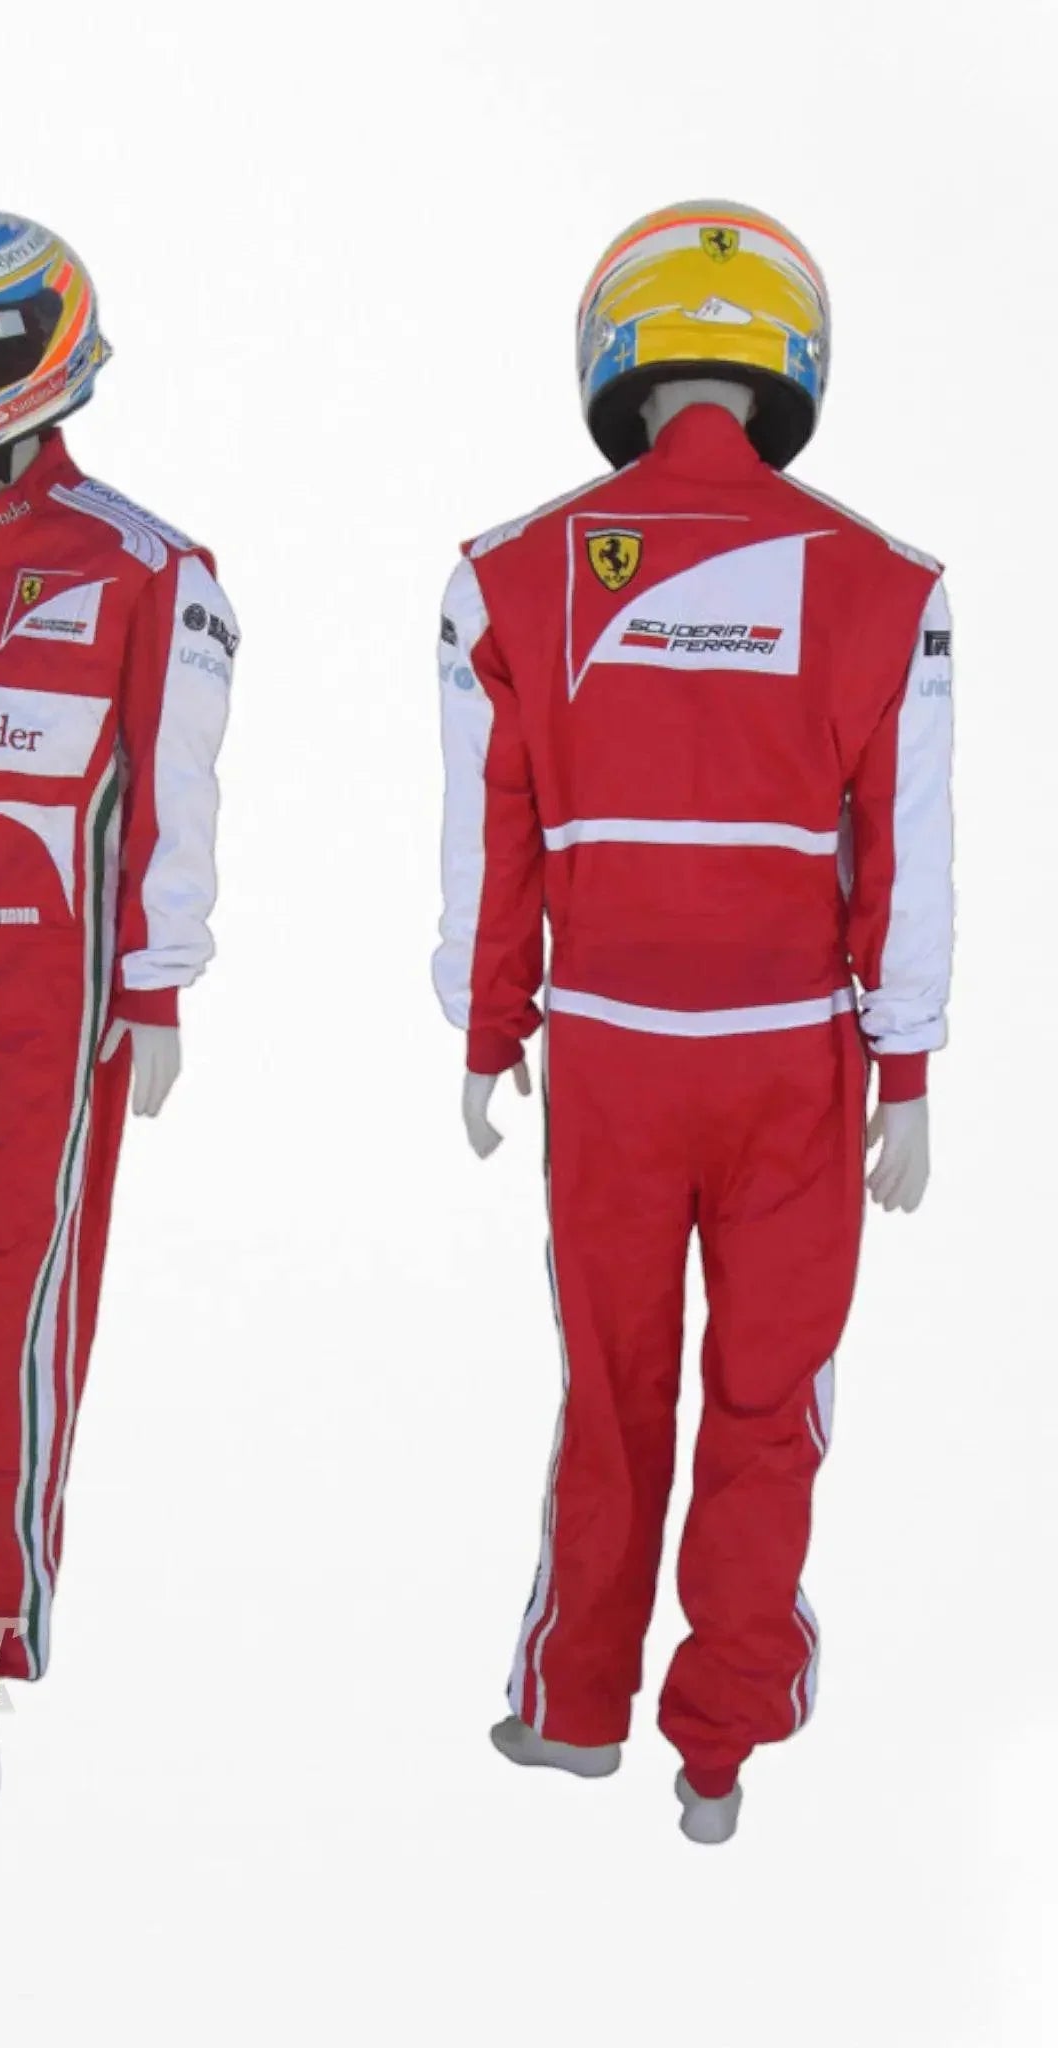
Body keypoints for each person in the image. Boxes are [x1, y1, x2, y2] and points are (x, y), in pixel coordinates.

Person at [433, 200, 953, 1845]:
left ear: (619, 352)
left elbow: (487, 837)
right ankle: (717, 1749)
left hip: (606, 1058)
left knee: (609, 1386)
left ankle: (573, 1709)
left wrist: (486, 1029)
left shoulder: (506, 574)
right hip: (796, 1061)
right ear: (790, 356)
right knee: (767, 1401)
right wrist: (909, 1067)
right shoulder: (891, 584)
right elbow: (910, 852)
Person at [0, 208, 237, 1821]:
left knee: (13, 1337)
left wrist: (156, 983)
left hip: (44, 1012)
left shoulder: (145, 567)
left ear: (31, 359)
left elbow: (179, 795)